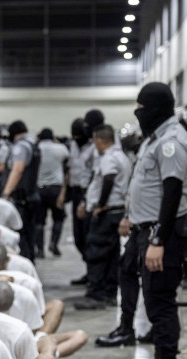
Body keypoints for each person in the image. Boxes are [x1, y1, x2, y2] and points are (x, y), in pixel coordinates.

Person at [113, 82, 187, 359]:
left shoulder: (172, 141)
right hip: (148, 230)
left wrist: (158, 239)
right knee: (155, 301)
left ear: (158, 109)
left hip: (165, 234)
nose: (139, 113)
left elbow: (172, 192)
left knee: (161, 305)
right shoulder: (157, 139)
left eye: (142, 108)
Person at [76, 124, 133, 309]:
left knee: (97, 252)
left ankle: (96, 294)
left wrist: (99, 205)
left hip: (107, 212)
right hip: (117, 210)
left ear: (100, 140)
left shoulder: (108, 158)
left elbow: (108, 179)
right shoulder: (122, 156)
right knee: (111, 255)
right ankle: (109, 291)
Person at [67, 110, 104, 285]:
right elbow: (70, 170)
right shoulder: (74, 146)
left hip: (88, 194)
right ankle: (90, 270)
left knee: (89, 236)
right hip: (76, 191)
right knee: (78, 237)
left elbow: (95, 175)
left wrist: (85, 200)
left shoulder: (96, 146)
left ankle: (95, 275)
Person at [1, 120, 40, 260]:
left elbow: (17, 170)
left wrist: (6, 193)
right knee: (29, 233)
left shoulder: (20, 147)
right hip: (31, 196)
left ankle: (24, 263)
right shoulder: (32, 145)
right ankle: (29, 261)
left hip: (22, 198)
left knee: (20, 234)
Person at [33, 129, 70, 257]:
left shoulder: (36, 148)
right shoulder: (60, 148)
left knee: (39, 222)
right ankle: (53, 244)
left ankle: (40, 250)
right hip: (56, 189)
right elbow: (67, 161)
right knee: (58, 218)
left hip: (39, 188)